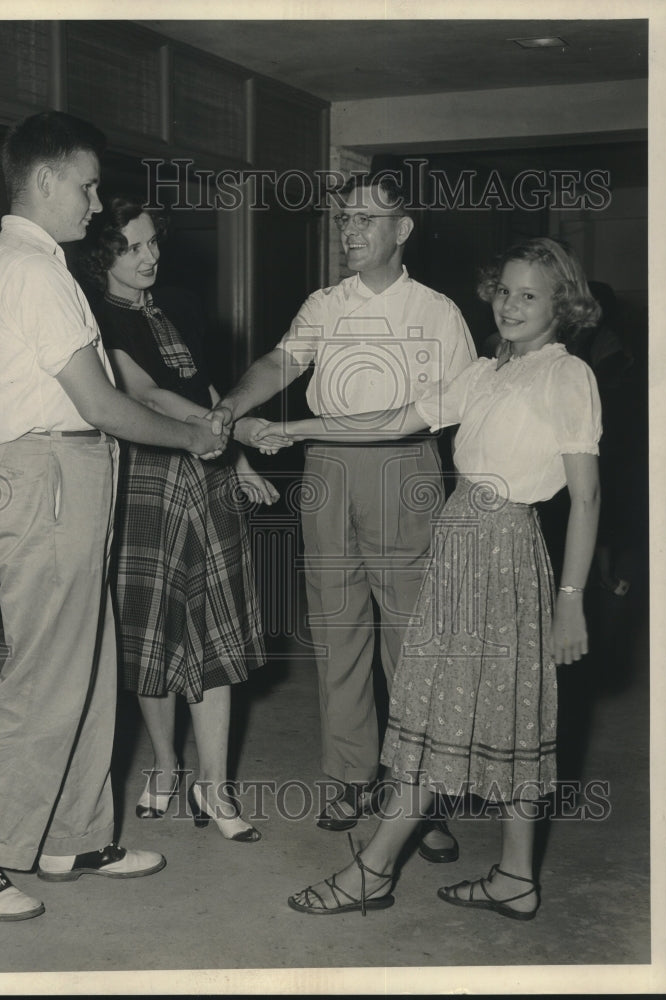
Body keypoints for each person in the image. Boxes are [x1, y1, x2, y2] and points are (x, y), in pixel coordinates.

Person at [0, 111, 228, 922]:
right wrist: (191, 440)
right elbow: (101, 402)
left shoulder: (40, 265)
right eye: (90, 185)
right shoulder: (31, 270)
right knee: (42, 673)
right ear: (48, 178)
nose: (97, 204)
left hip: (71, 470)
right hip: (47, 471)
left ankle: (74, 835)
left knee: (90, 664)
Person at [260, 236, 602, 919]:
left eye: (528, 295)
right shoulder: (487, 372)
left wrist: (571, 601)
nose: (510, 304)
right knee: (488, 709)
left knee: (456, 707)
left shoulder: (566, 377)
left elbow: (587, 498)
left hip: (504, 554)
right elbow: (393, 420)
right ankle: (513, 875)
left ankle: (373, 869)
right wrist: (295, 427)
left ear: (559, 305)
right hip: (457, 547)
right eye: (503, 291)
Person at [214, 175, 476, 860]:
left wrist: (292, 427)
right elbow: (279, 362)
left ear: (403, 229)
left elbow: (415, 417)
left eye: (365, 219)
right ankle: (347, 776)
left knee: (409, 641)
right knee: (336, 628)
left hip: (402, 471)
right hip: (326, 472)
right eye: (343, 220)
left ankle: (419, 793)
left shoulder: (437, 312)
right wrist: (232, 408)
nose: (349, 232)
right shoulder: (323, 304)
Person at [81, 197, 277, 842]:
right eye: (132, 248)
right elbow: (144, 395)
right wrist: (207, 430)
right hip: (147, 477)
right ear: (104, 254)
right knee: (153, 631)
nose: (148, 257)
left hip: (210, 467)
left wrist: (240, 458)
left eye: (152, 244)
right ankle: (166, 767)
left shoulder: (184, 304)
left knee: (214, 626)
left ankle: (214, 787)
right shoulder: (94, 315)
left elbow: (210, 391)